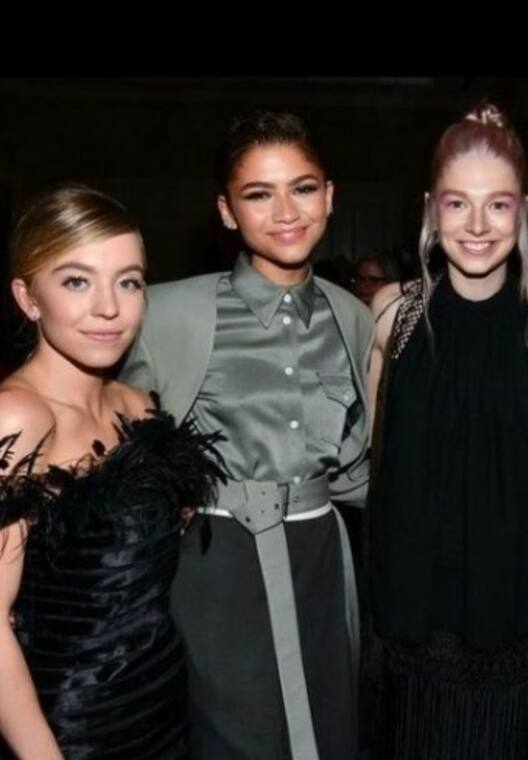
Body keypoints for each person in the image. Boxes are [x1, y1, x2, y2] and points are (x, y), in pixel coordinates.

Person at [121, 110, 373, 760]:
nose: (286, 212)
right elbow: (112, 443)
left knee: (329, 731)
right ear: (227, 211)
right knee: (236, 736)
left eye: (303, 188)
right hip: (218, 562)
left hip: (322, 556)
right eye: (259, 194)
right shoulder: (167, 312)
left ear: (329, 196)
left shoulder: (353, 316)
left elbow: (356, 466)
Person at [367, 103, 528, 759]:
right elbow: (371, 458)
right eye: (457, 204)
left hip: (517, 614)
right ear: (431, 210)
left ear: (523, 210)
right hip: (416, 618)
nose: (478, 226)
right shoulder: (392, 314)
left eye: (498, 205)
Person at [0, 184, 223, 759]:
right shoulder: (17, 418)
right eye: (77, 281)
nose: (109, 307)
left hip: (163, 707)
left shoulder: (138, 408)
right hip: (69, 727)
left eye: (129, 281)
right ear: (28, 297)